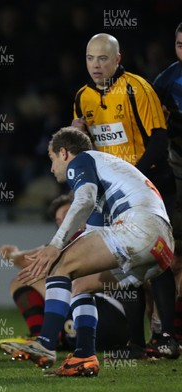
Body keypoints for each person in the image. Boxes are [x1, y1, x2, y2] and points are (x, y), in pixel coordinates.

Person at [0, 127, 174, 377]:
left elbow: (83, 200)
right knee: (78, 283)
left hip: (140, 226)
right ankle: (83, 356)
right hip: (161, 246)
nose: (51, 169)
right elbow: (90, 234)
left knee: (62, 265)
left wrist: (55, 246)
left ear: (63, 152)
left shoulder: (81, 160)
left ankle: (46, 344)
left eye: (51, 160)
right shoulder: (106, 171)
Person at [71, 33, 179, 359]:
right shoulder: (82, 98)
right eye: (91, 58)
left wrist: (135, 174)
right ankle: (135, 343)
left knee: (158, 262)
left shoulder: (137, 88)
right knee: (126, 266)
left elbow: (160, 140)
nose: (96, 65)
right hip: (113, 195)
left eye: (103, 58)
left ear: (118, 59)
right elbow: (84, 145)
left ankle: (168, 338)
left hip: (151, 186)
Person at [0, 194, 129, 353]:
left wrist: (12, 254)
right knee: (57, 282)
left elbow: (28, 261)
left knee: (28, 281)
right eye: (59, 221)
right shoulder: (102, 236)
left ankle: (41, 339)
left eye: (66, 215)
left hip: (107, 317)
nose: (63, 223)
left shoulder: (92, 237)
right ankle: (50, 340)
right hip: (98, 328)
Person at [153, 21, 182, 348]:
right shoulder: (165, 82)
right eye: (179, 44)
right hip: (176, 167)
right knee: (167, 253)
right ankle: (164, 330)